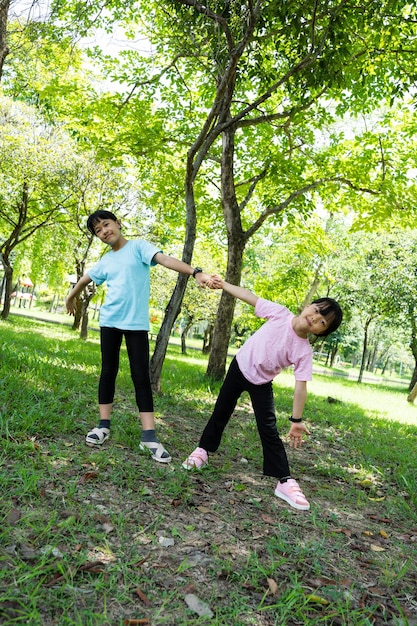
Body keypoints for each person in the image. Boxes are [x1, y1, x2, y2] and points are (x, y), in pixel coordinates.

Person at [183, 276, 343, 510]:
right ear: (308, 305)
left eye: (322, 322)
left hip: (262, 382)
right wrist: (223, 285)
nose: (315, 318)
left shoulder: (304, 351)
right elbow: (249, 296)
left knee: (268, 429)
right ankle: (202, 451)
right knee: (221, 411)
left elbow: (301, 386)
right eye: (317, 310)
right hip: (240, 366)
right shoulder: (280, 313)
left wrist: (296, 420)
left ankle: (284, 481)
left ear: (321, 332)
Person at [66, 209, 212, 463]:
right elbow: (86, 277)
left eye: (106, 225)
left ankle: (149, 436)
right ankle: (103, 426)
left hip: (136, 325)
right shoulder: (106, 260)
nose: (104, 232)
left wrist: (195, 272)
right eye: (98, 231)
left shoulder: (139, 248)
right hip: (110, 322)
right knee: (107, 371)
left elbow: (165, 260)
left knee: (140, 377)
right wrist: (71, 295)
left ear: (118, 223)